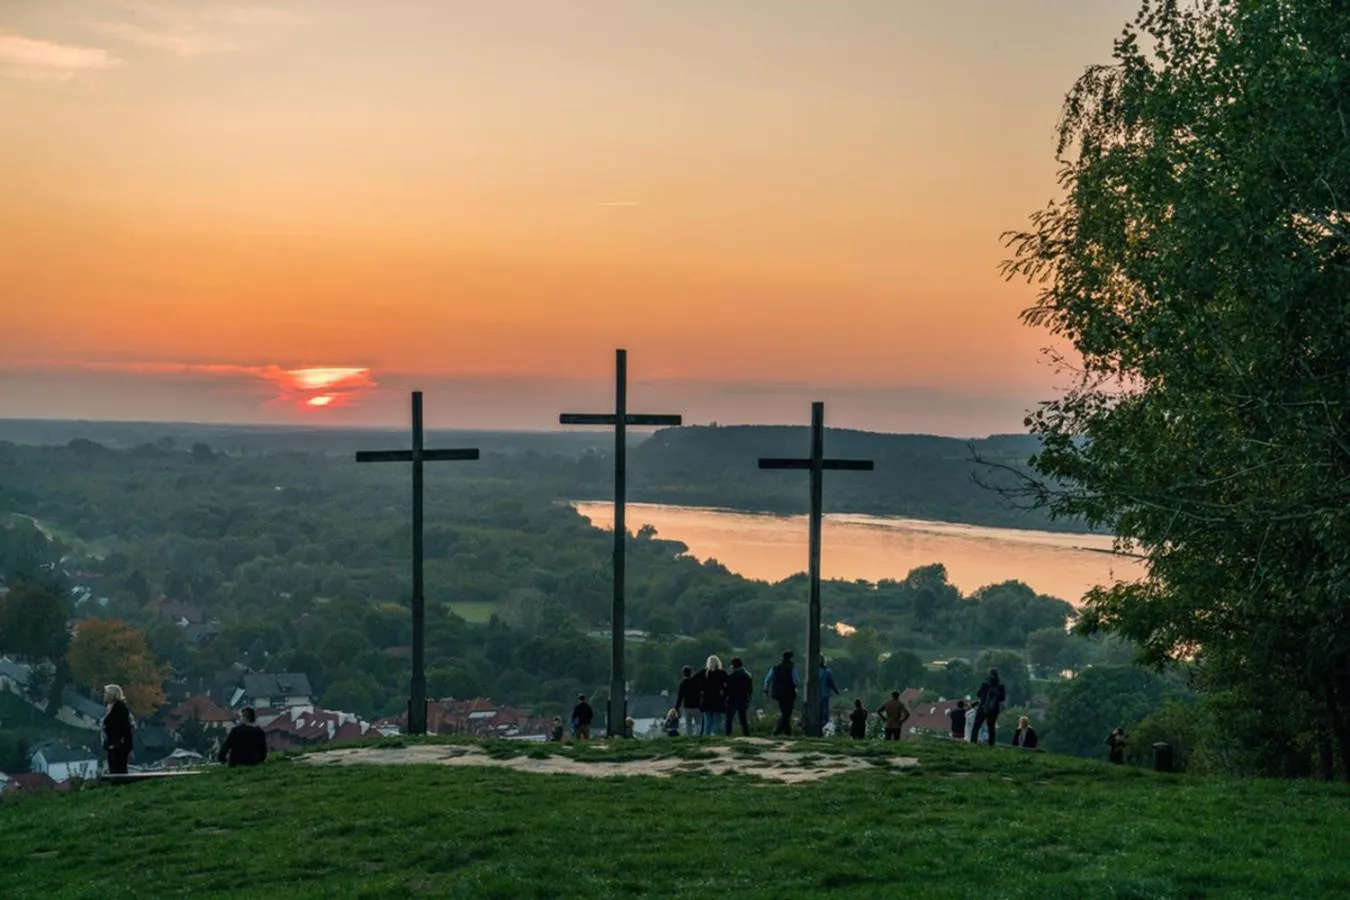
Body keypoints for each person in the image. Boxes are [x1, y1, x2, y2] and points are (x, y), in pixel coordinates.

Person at [763, 650, 799, 736]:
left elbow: (767, 680)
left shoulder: (775, 667)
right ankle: (777, 732)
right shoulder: (792, 667)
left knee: (784, 713)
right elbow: (796, 681)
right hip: (789, 693)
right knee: (787, 714)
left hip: (778, 693)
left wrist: (766, 690)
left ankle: (788, 733)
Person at [970, 668, 1007, 747]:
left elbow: (979, 694)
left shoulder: (985, 684)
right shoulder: (1000, 686)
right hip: (993, 710)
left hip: (982, 707)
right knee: (991, 727)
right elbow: (1002, 698)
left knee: (976, 726)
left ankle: (973, 741)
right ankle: (991, 743)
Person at [102, 684, 134, 775]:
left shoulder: (120, 708)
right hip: (113, 745)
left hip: (118, 746)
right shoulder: (112, 708)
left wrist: (116, 743)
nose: (104, 695)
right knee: (114, 769)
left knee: (118, 770)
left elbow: (123, 728)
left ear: (112, 694)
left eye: (106, 693)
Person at [700, 655, 729, 736]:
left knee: (707, 720)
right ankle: (716, 736)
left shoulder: (704, 673)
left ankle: (706, 736)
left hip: (706, 699)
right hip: (718, 699)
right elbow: (728, 684)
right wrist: (725, 694)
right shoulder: (722, 673)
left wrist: (701, 692)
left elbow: (698, 684)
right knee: (717, 720)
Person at [725, 658, 753, 737]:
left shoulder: (731, 676)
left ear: (733, 666)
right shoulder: (747, 675)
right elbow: (750, 689)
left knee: (729, 720)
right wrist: (749, 698)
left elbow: (727, 689)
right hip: (743, 699)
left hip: (732, 700)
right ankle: (747, 735)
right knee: (743, 720)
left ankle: (728, 735)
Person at [676, 665, 704, 736]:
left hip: (687, 706)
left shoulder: (683, 683)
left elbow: (680, 696)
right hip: (697, 705)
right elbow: (701, 693)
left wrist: (677, 706)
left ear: (683, 673)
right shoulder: (696, 682)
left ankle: (690, 736)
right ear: (691, 672)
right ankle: (698, 735)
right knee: (698, 722)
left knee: (688, 723)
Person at [819, 656, 841, 732]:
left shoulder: (813, 671)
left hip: (815, 696)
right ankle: (819, 729)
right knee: (825, 716)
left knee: (817, 714)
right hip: (824, 695)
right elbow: (831, 682)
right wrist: (836, 691)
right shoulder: (827, 672)